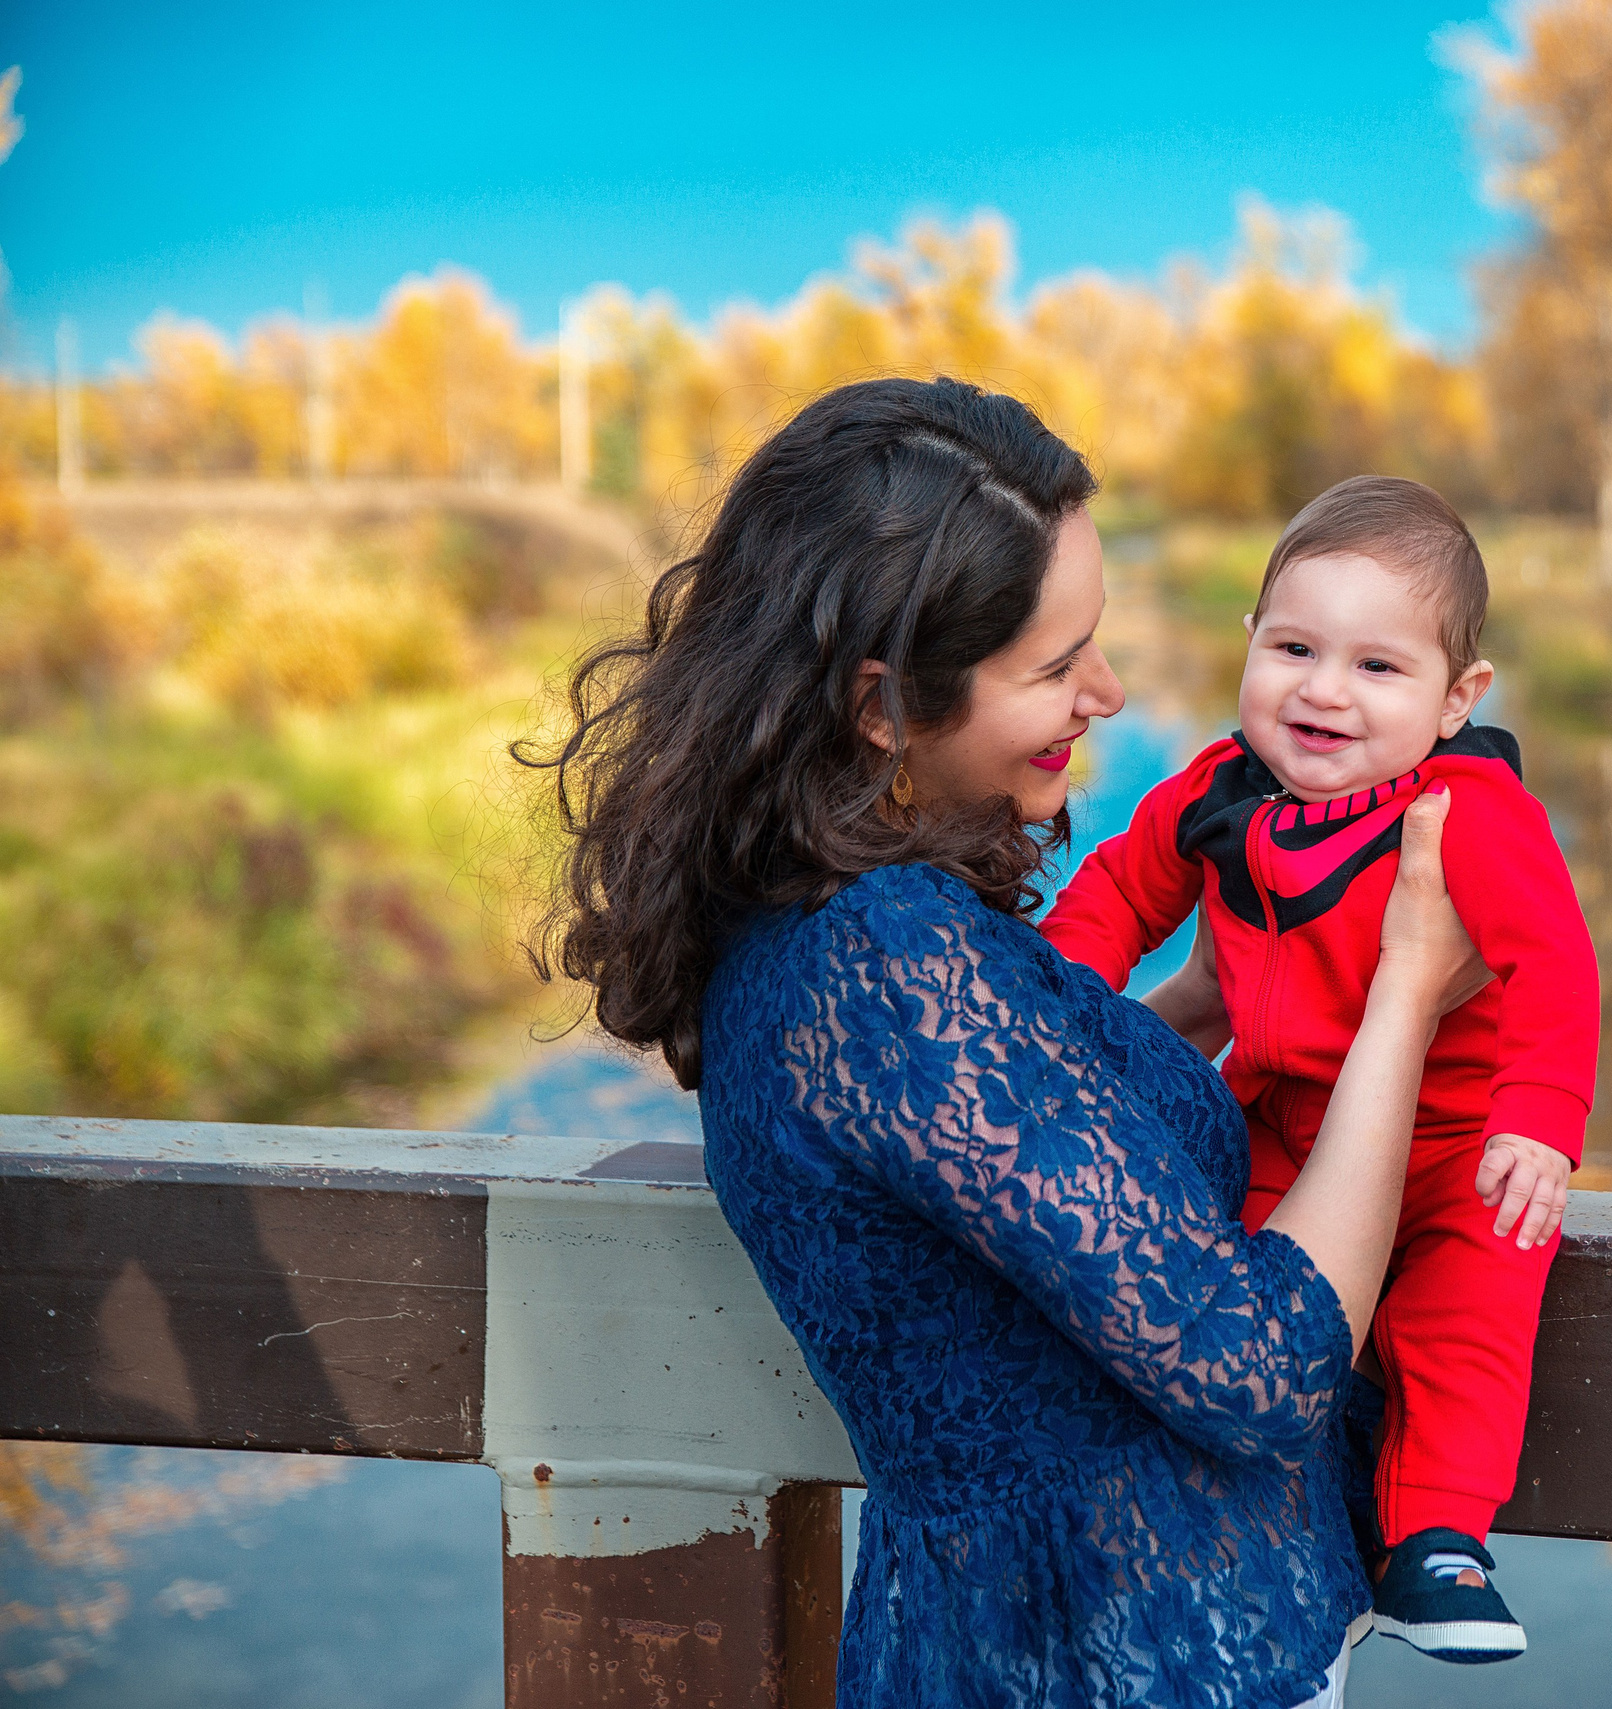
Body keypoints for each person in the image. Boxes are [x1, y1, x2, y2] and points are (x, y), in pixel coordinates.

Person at [517, 378, 1487, 1709]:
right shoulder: (884, 960)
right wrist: (1405, 998)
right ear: (881, 704)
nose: (1109, 689)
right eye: (1053, 665)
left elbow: (1014, 1159)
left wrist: (1201, 997)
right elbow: (1261, 1366)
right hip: (1098, 1665)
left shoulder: (839, 922)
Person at [1040, 477, 1601, 1664]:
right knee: (1229, 1312)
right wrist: (1049, 1011)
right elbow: (1116, 899)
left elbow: (1552, 961)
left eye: (1378, 668)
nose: (1324, 690)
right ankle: (1255, 1521)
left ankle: (1437, 1541)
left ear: (1459, 699)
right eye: (1294, 646)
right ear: (1249, 643)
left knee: (1469, 1312)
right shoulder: (1217, 790)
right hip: (1283, 1122)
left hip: (1452, 1147)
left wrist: (1538, 1120)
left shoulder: (1468, 812)